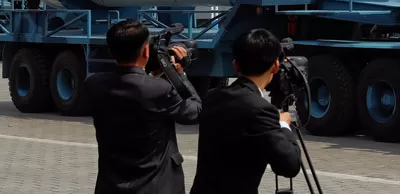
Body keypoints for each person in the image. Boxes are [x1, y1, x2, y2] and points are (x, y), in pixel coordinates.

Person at [85, 19, 201, 194]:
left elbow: (136, 88)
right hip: (154, 187)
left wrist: (152, 75)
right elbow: (194, 111)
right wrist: (179, 75)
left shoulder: (94, 84)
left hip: (111, 186)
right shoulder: (158, 89)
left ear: (111, 51)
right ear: (146, 50)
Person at [190, 29, 302, 194]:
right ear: (276, 66)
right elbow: (289, 166)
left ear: (235, 65)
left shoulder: (213, 97)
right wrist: (283, 124)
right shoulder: (261, 110)